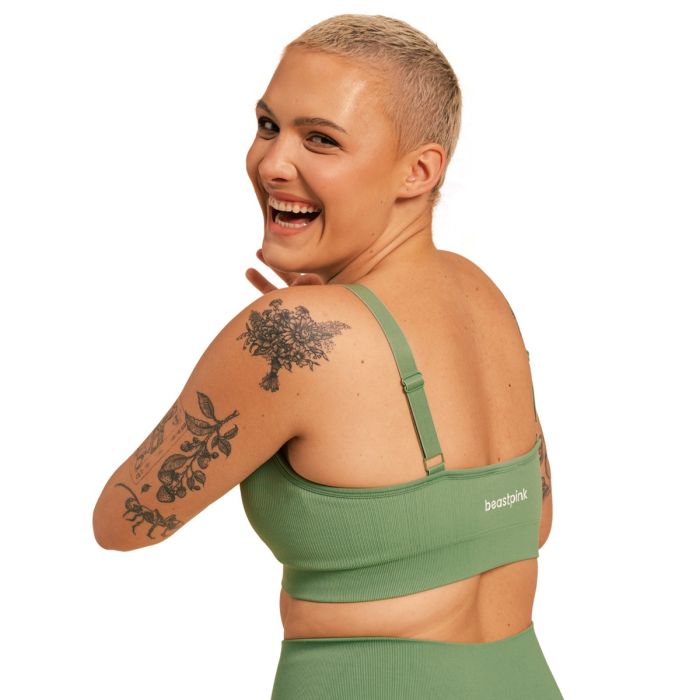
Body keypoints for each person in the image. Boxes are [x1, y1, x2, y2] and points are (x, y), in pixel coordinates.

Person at [93, 13, 563, 699]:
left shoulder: (289, 336)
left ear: (419, 171)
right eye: (267, 125)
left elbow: (122, 523)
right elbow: (529, 521)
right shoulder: (481, 295)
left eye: (321, 139)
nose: (272, 163)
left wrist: (284, 346)